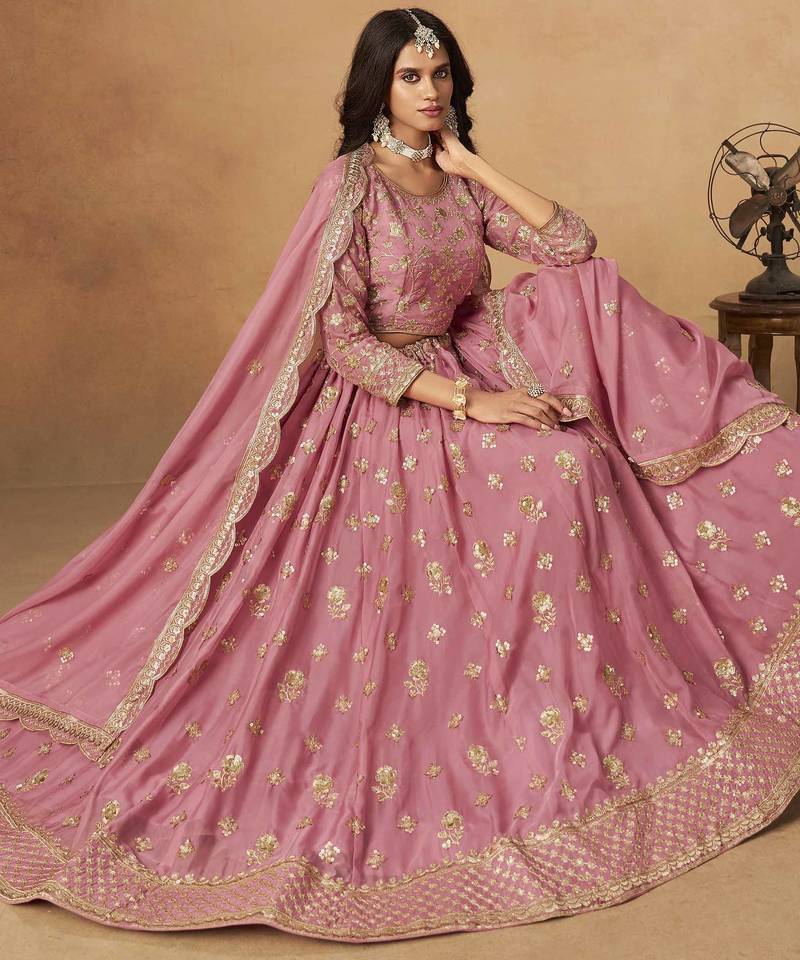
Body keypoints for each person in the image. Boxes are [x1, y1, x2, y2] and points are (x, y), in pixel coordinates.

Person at [1, 7, 799, 944]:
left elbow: (573, 247)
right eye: (413, 76)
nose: (430, 91)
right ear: (378, 85)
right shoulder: (351, 186)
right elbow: (342, 340)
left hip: (464, 360)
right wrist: (470, 402)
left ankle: (589, 694)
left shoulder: (454, 181)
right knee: (556, 473)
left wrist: (474, 167)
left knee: (583, 430)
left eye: (442, 74)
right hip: (389, 402)